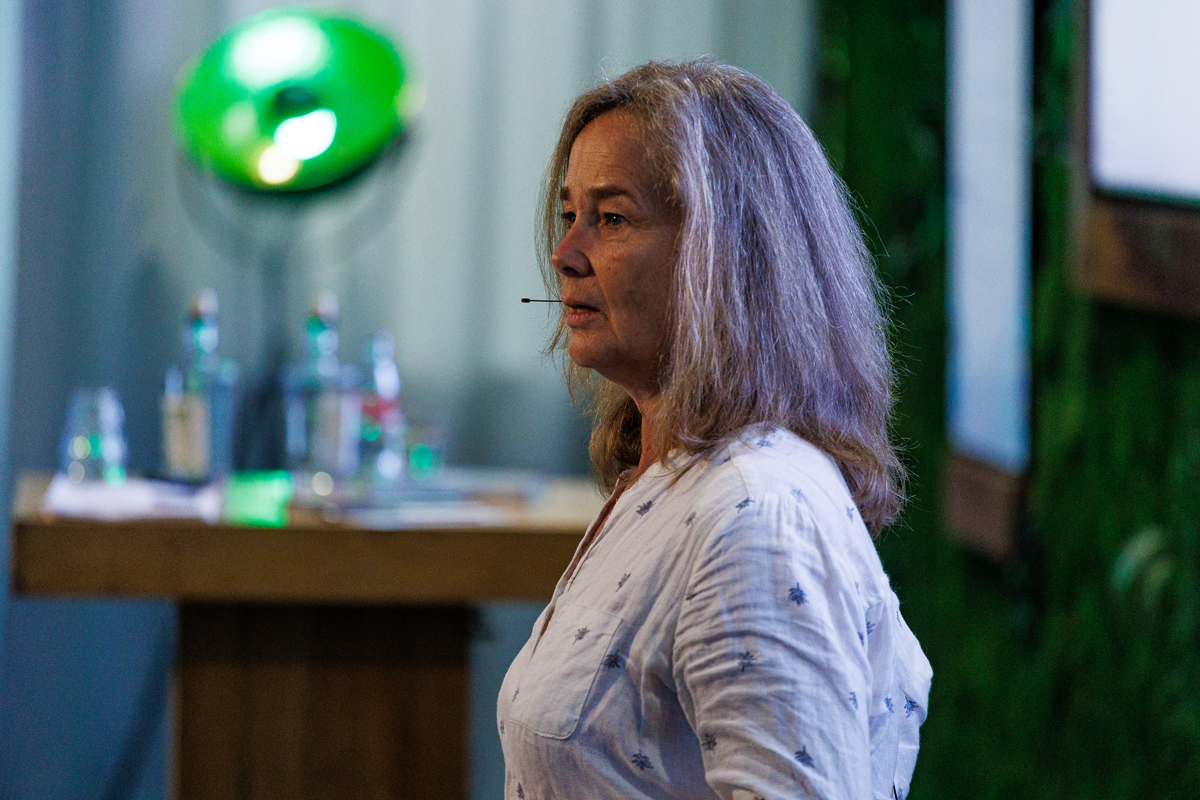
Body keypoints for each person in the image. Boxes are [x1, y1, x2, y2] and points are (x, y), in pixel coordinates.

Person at [498, 59, 931, 800]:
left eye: (612, 218)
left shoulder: (757, 516)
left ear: (728, 255)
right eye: (570, 216)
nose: (565, 256)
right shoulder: (673, 478)